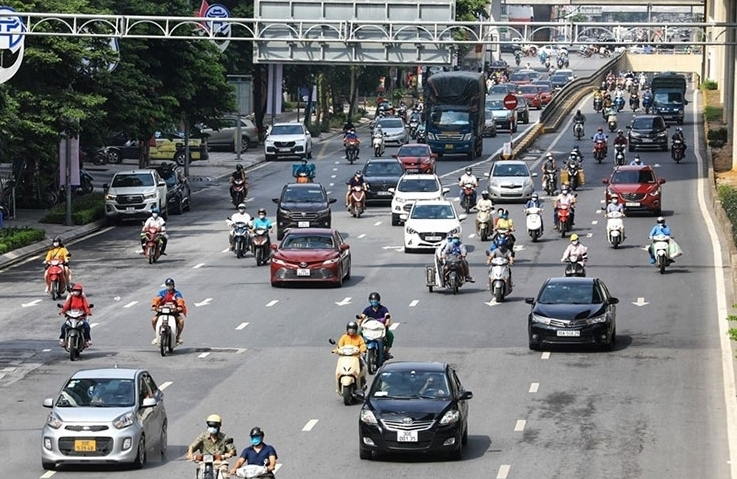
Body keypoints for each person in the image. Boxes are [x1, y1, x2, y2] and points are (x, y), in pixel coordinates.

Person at [187, 414, 237, 479]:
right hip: (204, 463)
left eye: (214, 426)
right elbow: (192, 446)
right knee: (198, 476)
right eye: (210, 426)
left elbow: (232, 450)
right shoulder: (203, 436)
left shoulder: (224, 437)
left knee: (225, 476)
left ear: (219, 426)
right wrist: (190, 454)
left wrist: (230, 453)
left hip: (220, 463)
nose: (212, 428)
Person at [357, 292, 394, 359]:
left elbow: (387, 316)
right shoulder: (367, 309)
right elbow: (362, 317)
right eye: (372, 300)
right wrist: (359, 322)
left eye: (375, 300)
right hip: (369, 329)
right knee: (359, 333)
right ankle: (361, 350)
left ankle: (386, 352)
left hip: (380, 329)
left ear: (378, 301)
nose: (373, 302)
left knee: (390, 335)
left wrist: (387, 322)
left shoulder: (383, 309)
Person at [151, 277, 187, 345]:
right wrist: (154, 305)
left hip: (173, 312)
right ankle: (157, 335)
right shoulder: (163, 293)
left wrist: (179, 307)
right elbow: (157, 299)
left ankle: (178, 337)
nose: (169, 287)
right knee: (153, 320)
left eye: (170, 285)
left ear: (173, 285)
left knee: (181, 322)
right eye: (167, 285)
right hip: (162, 312)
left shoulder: (176, 293)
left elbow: (180, 300)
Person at [58, 282, 92, 347]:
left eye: (78, 291)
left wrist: (88, 312)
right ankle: (62, 339)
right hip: (71, 316)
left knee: (86, 326)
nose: (76, 292)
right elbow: (66, 305)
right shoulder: (70, 297)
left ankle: (87, 339)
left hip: (80, 316)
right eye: (75, 290)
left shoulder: (82, 297)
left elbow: (86, 306)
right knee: (63, 326)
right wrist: (63, 311)